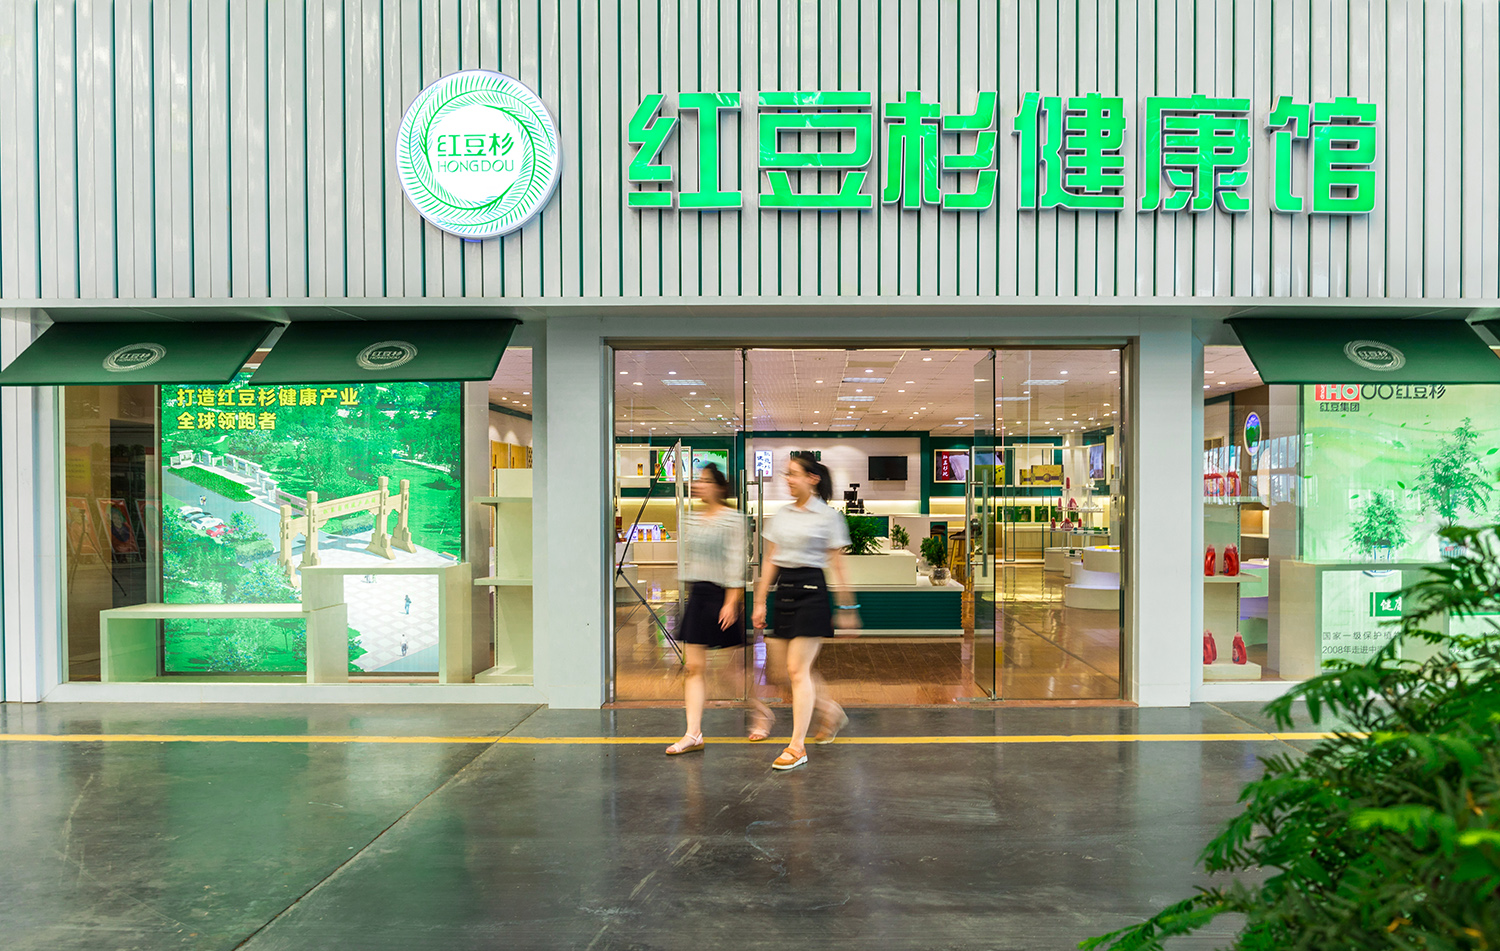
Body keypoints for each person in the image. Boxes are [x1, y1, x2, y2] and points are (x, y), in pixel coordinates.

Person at [751, 455, 857, 771]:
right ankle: (830, 711)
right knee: (783, 673)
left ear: (812, 478)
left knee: (797, 669)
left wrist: (847, 607)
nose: (788, 479)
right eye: (787, 474)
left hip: (813, 592)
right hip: (785, 591)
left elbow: (837, 564)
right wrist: (760, 601)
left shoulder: (828, 516)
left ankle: (797, 746)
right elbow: (770, 560)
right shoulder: (781, 515)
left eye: (794, 474)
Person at [665, 463, 774, 756]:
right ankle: (693, 733)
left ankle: (761, 711)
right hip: (698, 595)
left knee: (731, 673)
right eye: (697, 481)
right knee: (693, 668)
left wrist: (731, 601)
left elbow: (736, 561)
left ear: (719, 487)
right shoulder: (691, 518)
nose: (698, 485)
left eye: (704, 481)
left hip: (722, 595)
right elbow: (688, 560)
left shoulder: (733, 520)